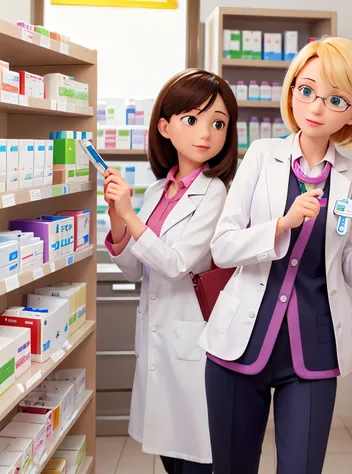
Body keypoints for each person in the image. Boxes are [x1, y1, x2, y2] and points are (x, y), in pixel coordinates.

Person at [199, 37, 352, 474]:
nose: (314, 106)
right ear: (292, 89)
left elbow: (349, 270)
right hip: (241, 344)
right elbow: (222, 246)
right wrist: (281, 224)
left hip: (312, 351)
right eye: (305, 89)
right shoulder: (260, 156)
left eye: (334, 99)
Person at [103, 68, 238, 474]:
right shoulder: (157, 191)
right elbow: (134, 270)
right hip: (159, 341)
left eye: (218, 123)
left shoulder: (214, 194)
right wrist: (117, 220)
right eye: (191, 120)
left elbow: (177, 265)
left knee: (196, 458)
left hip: (193, 344)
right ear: (165, 126)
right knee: (170, 457)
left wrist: (131, 217)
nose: (206, 133)